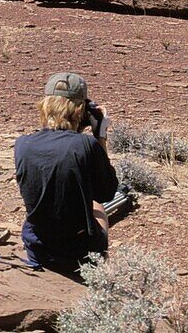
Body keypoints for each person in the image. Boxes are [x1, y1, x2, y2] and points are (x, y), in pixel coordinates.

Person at [14, 72, 118, 274]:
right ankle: (100, 269)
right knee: (98, 207)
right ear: (80, 110)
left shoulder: (23, 144)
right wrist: (100, 136)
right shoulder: (86, 144)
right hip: (79, 254)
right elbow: (106, 192)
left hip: (37, 249)